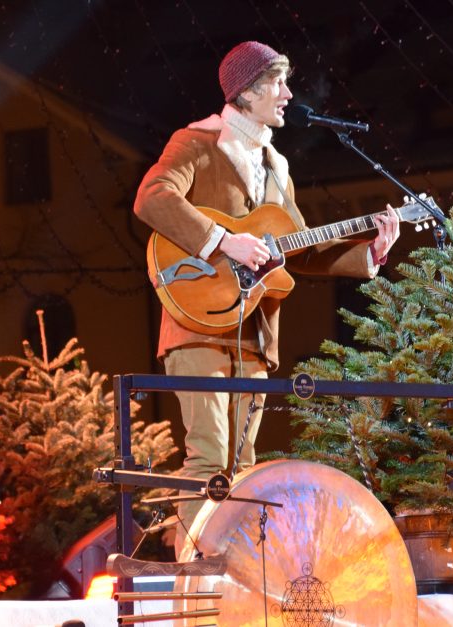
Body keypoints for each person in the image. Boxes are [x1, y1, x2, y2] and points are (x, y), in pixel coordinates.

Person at [133, 41, 399, 555]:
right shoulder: (198, 143)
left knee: (244, 463)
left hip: (254, 327)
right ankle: (196, 569)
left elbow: (300, 248)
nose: (288, 95)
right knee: (209, 456)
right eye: (278, 83)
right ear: (246, 91)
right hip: (196, 319)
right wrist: (224, 239)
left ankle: (237, 571)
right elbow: (153, 196)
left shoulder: (276, 166)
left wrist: (371, 253)